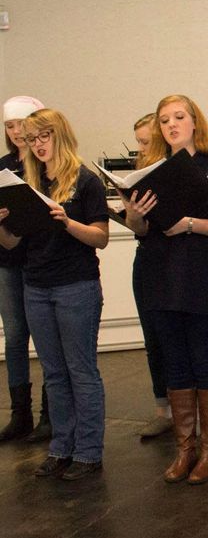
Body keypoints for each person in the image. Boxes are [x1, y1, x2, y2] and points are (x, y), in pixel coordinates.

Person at [125, 94, 208, 485]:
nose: (172, 124)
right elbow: (142, 231)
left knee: (204, 361)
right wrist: (134, 217)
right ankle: (184, 449)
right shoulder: (148, 170)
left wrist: (192, 223)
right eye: (164, 120)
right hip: (160, 275)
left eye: (179, 117)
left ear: (196, 122)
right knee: (174, 362)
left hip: (202, 276)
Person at [0, 108, 109, 480]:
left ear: (59, 135)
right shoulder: (26, 184)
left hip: (75, 285)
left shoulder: (86, 181)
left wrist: (67, 221)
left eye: (43, 136)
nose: (37, 145)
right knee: (54, 372)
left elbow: (101, 238)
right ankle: (62, 446)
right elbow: (12, 242)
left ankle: (89, 452)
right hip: (36, 285)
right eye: (31, 139)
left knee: (81, 371)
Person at [119, 113, 174, 440]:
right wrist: (131, 214)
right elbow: (139, 229)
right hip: (149, 258)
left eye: (145, 142)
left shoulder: (175, 170)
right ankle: (162, 409)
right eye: (138, 142)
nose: (140, 149)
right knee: (153, 338)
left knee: (175, 338)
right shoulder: (139, 175)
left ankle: (186, 412)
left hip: (178, 259)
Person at [0, 95, 49, 443]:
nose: (17, 131)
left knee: (47, 338)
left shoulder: (45, 164)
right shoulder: (1, 165)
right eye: (10, 126)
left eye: (22, 124)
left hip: (38, 259)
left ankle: (52, 413)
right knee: (15, 337)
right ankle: (21, 415)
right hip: (7, 260)